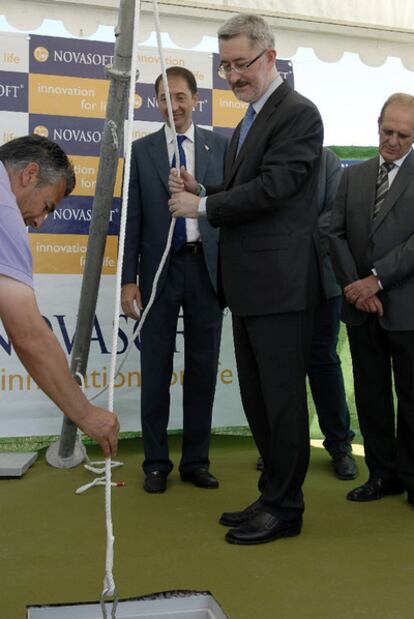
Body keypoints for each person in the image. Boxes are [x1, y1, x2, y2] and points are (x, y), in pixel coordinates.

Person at [169, 14, 323, 544]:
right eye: (226, 66)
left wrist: (204, 203)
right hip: (249, 286)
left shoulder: (298, 114)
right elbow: (248, 188)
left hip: (280, 286)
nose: (233, 75)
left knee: (281, 400)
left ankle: (287, 508)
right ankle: (272, 494)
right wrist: (204, 184)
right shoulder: (251, 119)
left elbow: (275, 188)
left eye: (242, 63)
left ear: (271, 57)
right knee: (259, 400)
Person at [121, 67, 227, 493]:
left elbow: (230, 206)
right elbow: (130, 222)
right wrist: (129, 280)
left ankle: (196, 462)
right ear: (156, 102)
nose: (173, 106)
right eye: (165, 98)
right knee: (156, 368)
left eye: (180, 97)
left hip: (206, 271)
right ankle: (156, 463)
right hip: (159, 275)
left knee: (202, 369)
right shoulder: (142, 151)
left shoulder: (219, 147)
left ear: (195, 99)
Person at [0, 135, 119, 457]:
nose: (39, 221)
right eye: (47, 206)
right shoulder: (4, 209)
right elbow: (28, 336)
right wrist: (87, 414)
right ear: (29, 175)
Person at [329, 92, 414, 506]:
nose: (393, 140)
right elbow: (333, 232)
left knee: (412, 399)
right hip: (360, 308)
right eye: (387, 130)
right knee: (371, 395)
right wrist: (355, 287)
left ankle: (412, 478)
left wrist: (376, 281)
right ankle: (382, 475)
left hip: (406, 310)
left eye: (403, 134)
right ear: (377, 124)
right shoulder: (353, 176)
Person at [256, 148, 357, 479]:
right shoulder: (270, 163)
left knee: (324, 361)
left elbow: (334, 216)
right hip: (277, 284)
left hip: (323, 282)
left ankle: (340, 445)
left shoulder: (328, 163)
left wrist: (289, 241)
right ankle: (281, 448)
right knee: (282, 367)